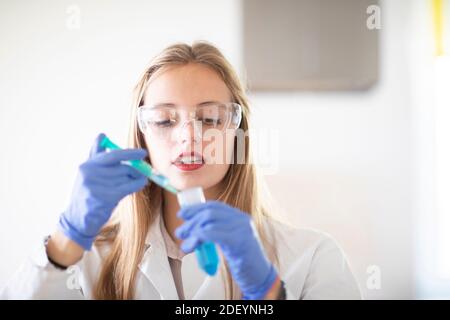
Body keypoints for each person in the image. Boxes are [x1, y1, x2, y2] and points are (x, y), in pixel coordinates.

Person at [0, 42, 361, 300]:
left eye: (209, 118)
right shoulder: (91, 261)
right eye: (164, 120)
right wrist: (66, 240)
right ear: (140, 134)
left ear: (238, 133)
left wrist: (268, 293)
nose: (189, 137)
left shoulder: (312, 257)